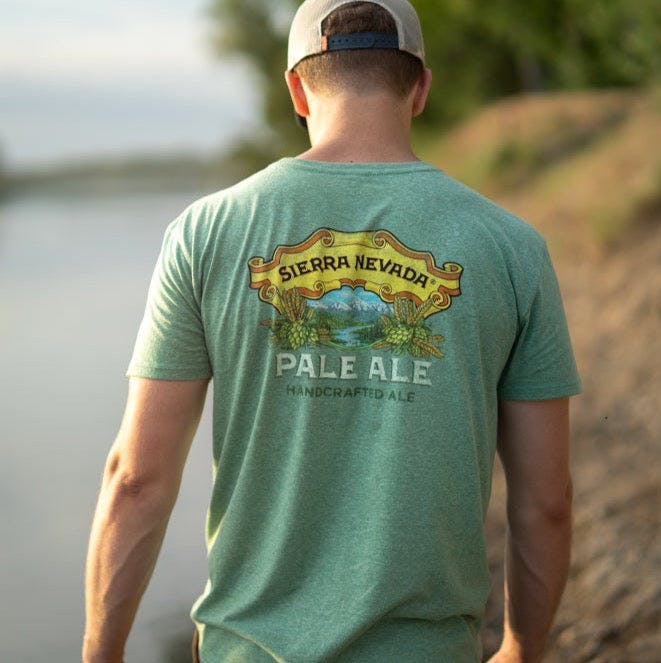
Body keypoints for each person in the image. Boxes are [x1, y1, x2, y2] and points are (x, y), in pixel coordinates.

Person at [83, 1, 582, 661]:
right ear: (421, 88)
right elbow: (546, 497)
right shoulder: (511, 246)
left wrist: (101, 647)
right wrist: (522, 644)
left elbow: (137, 477)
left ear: (294, 87)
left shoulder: (204, 234)